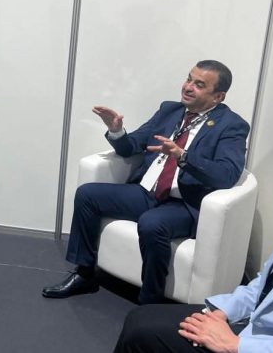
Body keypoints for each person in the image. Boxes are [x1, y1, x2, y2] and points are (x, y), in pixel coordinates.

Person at [113, 107, 273, 352]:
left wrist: (236, 344)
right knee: (140, 319)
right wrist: (224, 310)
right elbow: (264, 283)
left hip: (266, 343)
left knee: (143, 332)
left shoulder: (231, 126)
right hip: (256, 324)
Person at [43, 60, 249, 304]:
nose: (188, 87)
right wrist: (116, 131)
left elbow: (226, 174)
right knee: (88, 194)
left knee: (152, 224)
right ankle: (85, 273)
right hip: (147, 192)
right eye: (189, 79)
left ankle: (150, 301)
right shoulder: (169, 110)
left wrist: (183, 156)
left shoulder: (232, 126)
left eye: (199, 85)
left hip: (184, 203)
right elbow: (131, 146)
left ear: (218, 96)